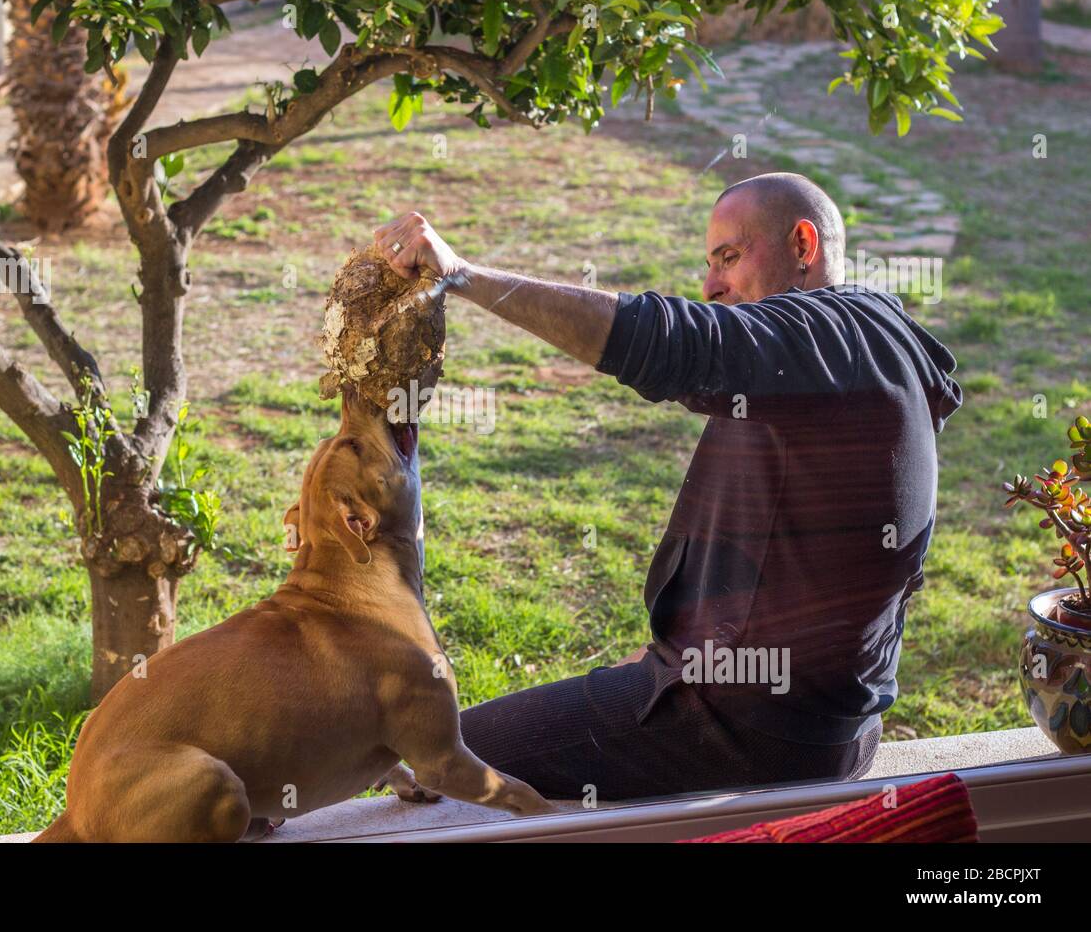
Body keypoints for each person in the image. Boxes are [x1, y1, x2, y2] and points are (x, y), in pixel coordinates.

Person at [371, 172, 963, 801]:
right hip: (825, 717)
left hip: (747, 726)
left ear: (803, 244)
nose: (711, 285)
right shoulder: (861, 344)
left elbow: (669, 341)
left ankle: (267, 792)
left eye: (730, 258)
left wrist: (462, 274)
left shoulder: (830, 338)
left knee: (428, 751)